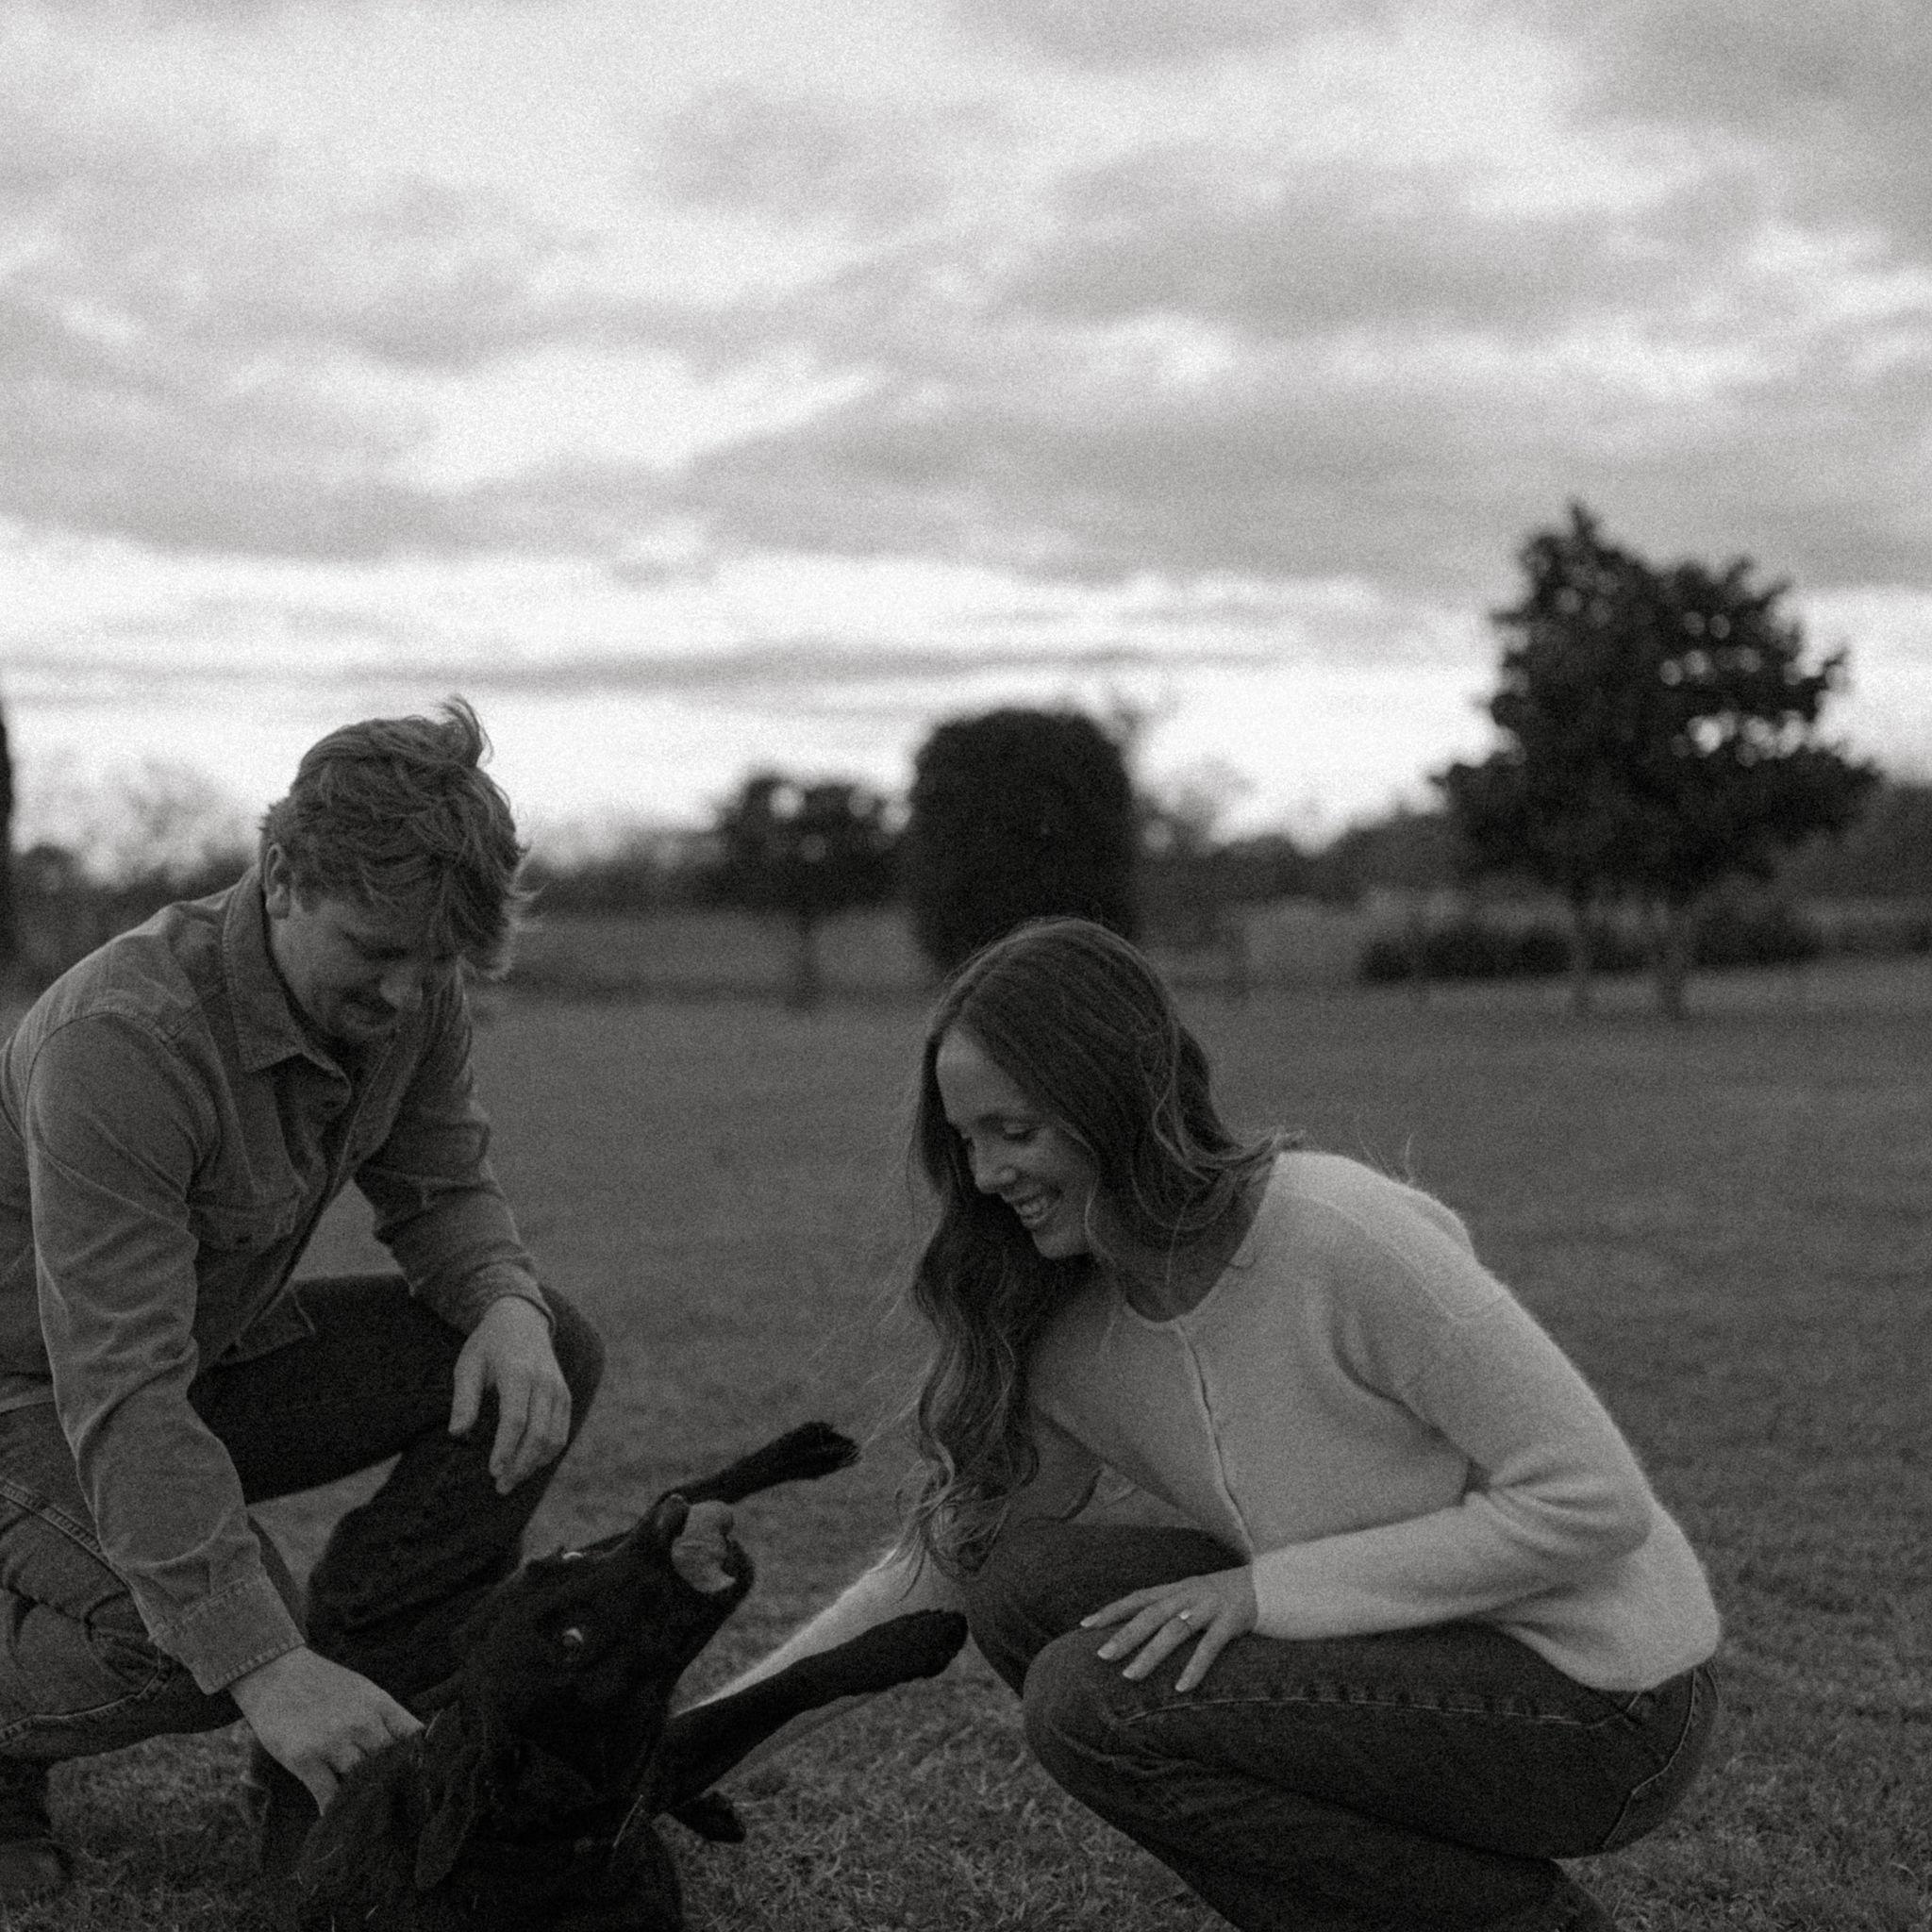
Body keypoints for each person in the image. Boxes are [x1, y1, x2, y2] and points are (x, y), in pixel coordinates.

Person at [693, 916, 1721, 1931]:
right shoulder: (1071, 1326)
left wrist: (1264, 1592)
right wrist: (680, 1751)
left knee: (1094, 1702)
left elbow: (1593, 1503)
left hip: (1605, 1698)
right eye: (966, 1141)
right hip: (1396, 1654)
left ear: (1113, 1098)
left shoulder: (1340, 1233)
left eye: (1015, 1131)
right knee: (1017, 1586)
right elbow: (940, 1570)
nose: (986, 1175)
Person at [0, 699, 604, 1902]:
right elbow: (120, 1387)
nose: (407, 994)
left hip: (200, 1355)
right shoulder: (123, 1037)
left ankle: (348, 1766)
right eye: (376, 952)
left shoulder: (409, 989)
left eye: (438, 964)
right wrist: (263, 1661)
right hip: (34, 1389)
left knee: (543, 1350)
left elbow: (441, 1183)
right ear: (281, 875)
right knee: (197, 1640)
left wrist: (503, 1298)